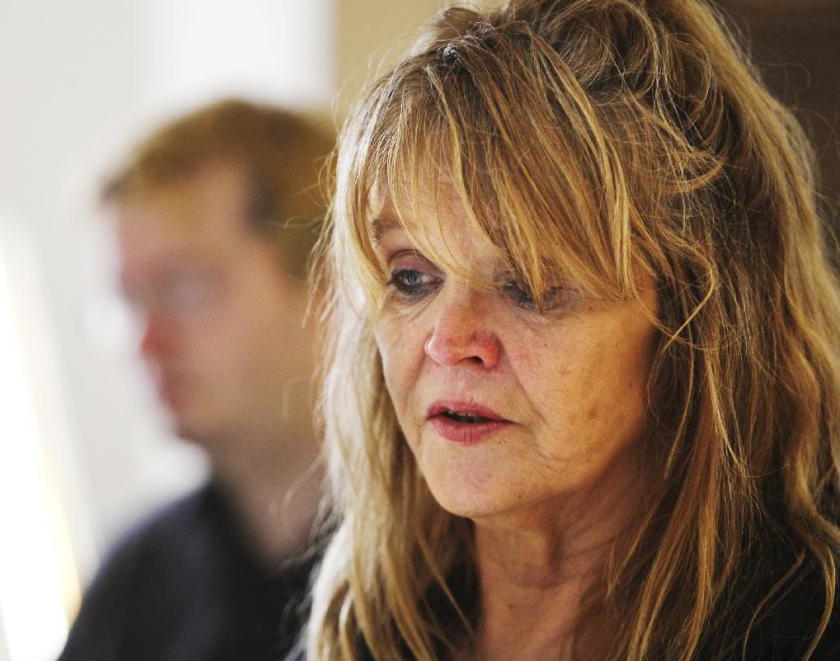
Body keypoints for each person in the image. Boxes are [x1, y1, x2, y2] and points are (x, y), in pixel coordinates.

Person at [304, 1, 840, 659]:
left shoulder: (808, 628)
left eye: (528, 284)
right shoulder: (362, 631)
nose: (447, 340)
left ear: (691, 315)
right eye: (412, 277)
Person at [59, 99, 334, 661]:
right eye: (129, 301)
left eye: (184, 287)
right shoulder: (137, 579)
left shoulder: (464, 566)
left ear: (328, 283)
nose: (145, 342)